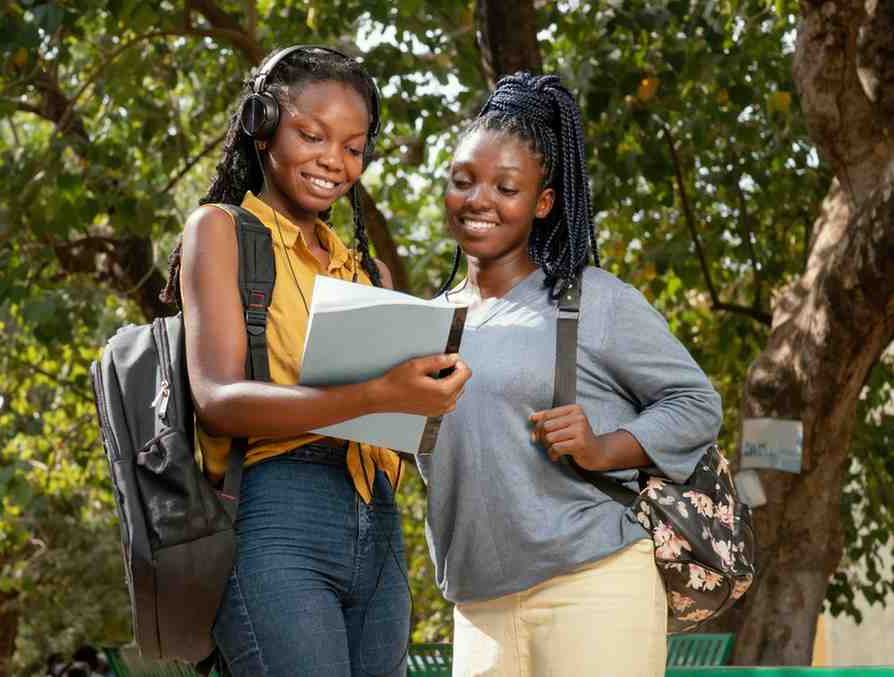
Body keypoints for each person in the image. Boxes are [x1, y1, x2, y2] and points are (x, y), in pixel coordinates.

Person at [159, 45, 471, 677]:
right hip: (276, 512)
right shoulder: (220, 230)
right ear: (262, 125)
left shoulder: (368, 273)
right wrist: (377, 394)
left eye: (354, 148)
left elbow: (396, 422)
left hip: (377, 520)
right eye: (312, 135)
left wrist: (427, 396)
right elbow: (217, 401)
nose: (335, 160)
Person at [417, 72, 723, 677]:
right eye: (463, 180)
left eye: (506, 187)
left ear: (543, 202)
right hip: (477, 603)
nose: (478, 199)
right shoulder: (425, 323)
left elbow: (695, 403)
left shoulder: (592, 301)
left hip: (593, 584)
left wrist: (603, 446)